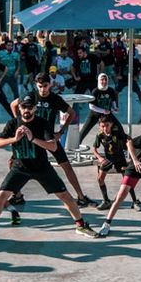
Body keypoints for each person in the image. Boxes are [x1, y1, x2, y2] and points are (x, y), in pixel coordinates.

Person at [0, 97, 98, 246]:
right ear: (19, 109)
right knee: (0, 197)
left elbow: (53, 147)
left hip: (42, 167)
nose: (26, 110)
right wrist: (14, 139)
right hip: (20, 168)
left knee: (65, 195)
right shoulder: (13, 123)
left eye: (30, 107)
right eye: (24, 107)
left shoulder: (42, 123)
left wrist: (32, 138)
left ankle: (81, 225)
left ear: (34, 108)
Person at [10, 74, 95, 207]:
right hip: (29, 137)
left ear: (50, 84)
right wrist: (19, 122)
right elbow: (13, 105)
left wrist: (61, 132)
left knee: (66, 165)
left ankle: (81, 196)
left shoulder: (55, 99)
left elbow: (71, 113)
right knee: (13, 161)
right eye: (40, 86)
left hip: (47, 137)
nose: (43, 89)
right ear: (36, 85)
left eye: (45, 86)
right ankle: (17, 195)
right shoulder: (30, 96)